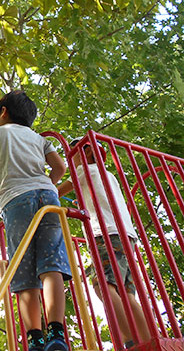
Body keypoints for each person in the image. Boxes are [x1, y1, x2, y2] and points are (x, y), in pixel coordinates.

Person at [0, 90, 71, 351]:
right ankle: (57, 333)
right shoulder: (38, 138)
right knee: (51, 263)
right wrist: (47, 184)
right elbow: (60, 168)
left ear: (3, 111)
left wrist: (10, 173)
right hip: (49, 199)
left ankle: (36, 339)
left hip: (17, 201)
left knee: (24, 270)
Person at [57, 137, 151, 349]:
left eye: (73, 154)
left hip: (106, 234)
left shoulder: (84, 171)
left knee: (102, 286)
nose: (70, 160)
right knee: (127, 292)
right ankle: (149, 340)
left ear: (88, 153)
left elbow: (55, 193)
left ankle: (130, 341)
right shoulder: (108, 176)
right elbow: (101, 199)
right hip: (126, 235)